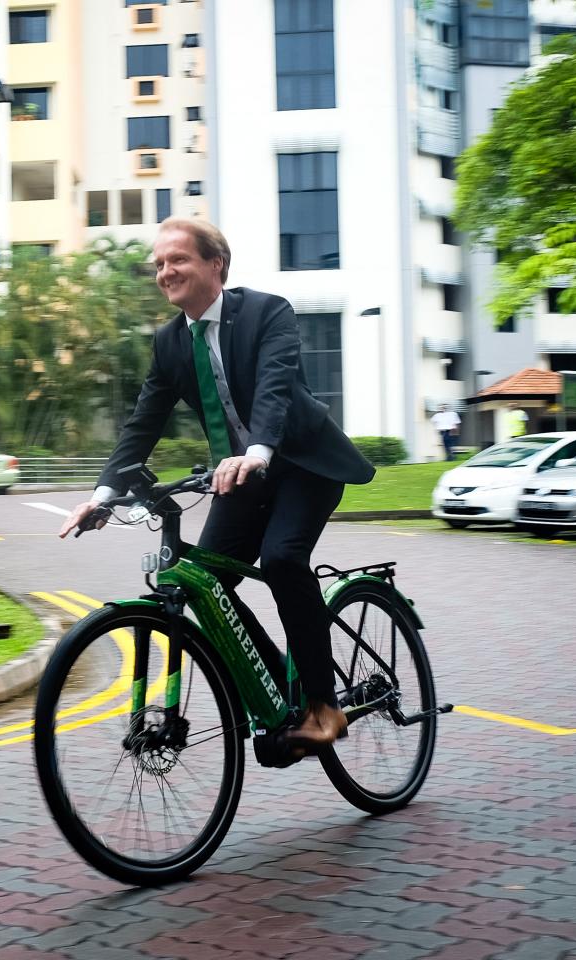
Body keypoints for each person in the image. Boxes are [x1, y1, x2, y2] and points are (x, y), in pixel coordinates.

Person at [58, 218, 376, 750]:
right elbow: (144, 421)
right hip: (240, 475)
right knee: (202, 587)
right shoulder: (170, 344)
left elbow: (275, 388)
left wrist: (256, 451)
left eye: (177, 260)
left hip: (302, 465)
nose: (165, 272)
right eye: (159, 264)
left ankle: (324, 706)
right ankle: (279, 683)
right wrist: (103, 495)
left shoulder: (266, 311)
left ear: (215, 265)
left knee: (280, 561)